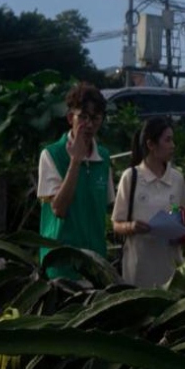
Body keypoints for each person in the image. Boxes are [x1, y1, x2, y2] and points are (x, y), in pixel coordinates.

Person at [37, 82, 114, 280]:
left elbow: (106, 209)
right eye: (83, 117)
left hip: (96, 266)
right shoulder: (51, 155)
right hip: (61, 268)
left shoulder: (103, 158)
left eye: (95, 118)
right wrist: (75, 161)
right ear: (71, 117)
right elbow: (59, 209)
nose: (89, 124)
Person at [112, 117, 185, 288]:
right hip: (138, 268)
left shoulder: (177, 179)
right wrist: (132, 227)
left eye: (173, 139)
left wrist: (180, 233)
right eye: (167, 140)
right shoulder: (131, 177)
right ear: (151, 145)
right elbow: (116, 224)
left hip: (170, 269)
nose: (173, 145)